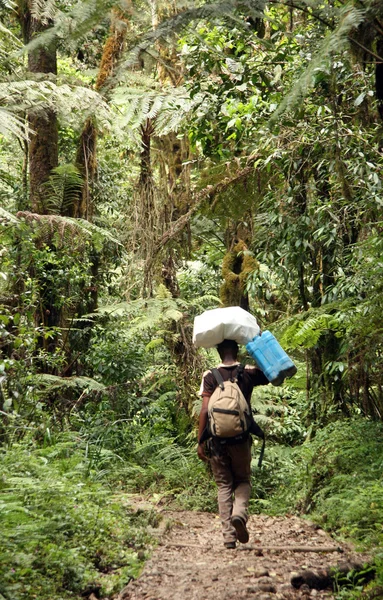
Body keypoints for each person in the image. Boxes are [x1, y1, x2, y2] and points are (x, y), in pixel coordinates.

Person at [197, 338, 269, 549]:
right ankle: (239, 514)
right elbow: (274, 374)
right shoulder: (248, 372)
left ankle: (228, 537)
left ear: (219, 352)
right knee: (243, 481)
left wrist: (200, 441)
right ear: (237, 351)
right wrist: (257, 350)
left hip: (217, 441)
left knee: (223, 485)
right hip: (241, 439)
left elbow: (204, 410)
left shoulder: (210, 376)